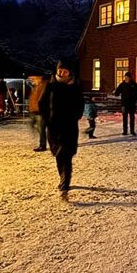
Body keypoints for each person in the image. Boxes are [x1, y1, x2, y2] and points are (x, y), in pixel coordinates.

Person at [39, 60, 84, 196]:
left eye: (65, 71)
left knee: (67, 153)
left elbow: (80, 105)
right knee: (58, 154)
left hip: (69, 126)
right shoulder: (50, 86)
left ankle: (66, 182)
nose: (62, 73)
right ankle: (62, 177)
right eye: (60, 70)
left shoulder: (75, 87)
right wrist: (47, 118)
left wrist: (75, 116)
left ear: (70, 72)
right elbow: (42, 103)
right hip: (54, 126)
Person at [29, 74, 50, 152]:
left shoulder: (43, 86)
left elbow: (42, 99)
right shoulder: (38, 86)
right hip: (36, 111)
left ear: (39, 77)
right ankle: (43, 144)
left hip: (40, 111)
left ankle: (42, 145)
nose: (32, 80)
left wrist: (39, 109)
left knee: (42, 129)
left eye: (33, 78)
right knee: (40, 129)